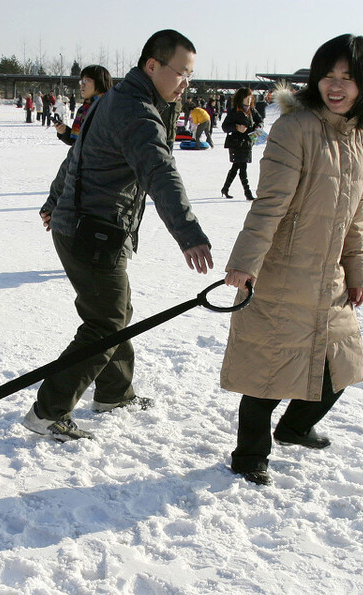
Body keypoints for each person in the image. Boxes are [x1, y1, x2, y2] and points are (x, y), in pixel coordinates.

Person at [24, 29, 214, 441]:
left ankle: (113, 392)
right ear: (152, 66)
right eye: (181, 72)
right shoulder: (137, 112)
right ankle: (49, 411)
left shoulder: (117, 99)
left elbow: (76, 153)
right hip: (93, 231)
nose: (186, 83)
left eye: (190, 75)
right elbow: (160, 172)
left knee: (115, 312)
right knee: (106, 322)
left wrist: (54, 201)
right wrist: (189, 233)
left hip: (83, 225)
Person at [220, 33, 363, 486]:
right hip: (283, 272)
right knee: (267, 374)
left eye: (348, 79)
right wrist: (245, 263)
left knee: (342, 366)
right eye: (328, 76)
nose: (336, 86)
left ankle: (295, 428)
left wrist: (357, 269)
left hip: (330, 277)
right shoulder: (295, 128)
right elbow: (269, 204)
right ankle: (250, 455)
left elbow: (358, 214)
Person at [221, 88, 263, 199]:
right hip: (236, 143)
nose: (249, 100)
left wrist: (258, 127)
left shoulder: (252, 110)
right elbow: (225, 127)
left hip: (247, 143)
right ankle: (247, 193)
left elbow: (260, 120)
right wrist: (236, 127)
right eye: (247, 98)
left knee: (236, 167)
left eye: (250, 98)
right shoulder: (235, 111)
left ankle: (225, 188)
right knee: (242, 167)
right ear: (241, 98)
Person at [55, 64, 112, 145]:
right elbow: (77, 143)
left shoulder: (108, 108)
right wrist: (64, 131)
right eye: (81, 81)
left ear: (100, 82)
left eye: (86, 80)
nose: (82, 85)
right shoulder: (83, 109)